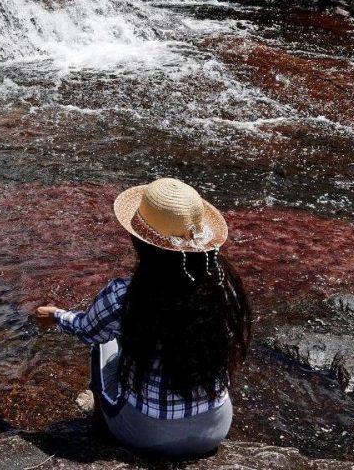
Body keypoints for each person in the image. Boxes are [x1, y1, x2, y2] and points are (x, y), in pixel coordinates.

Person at [35, 178, 252, 457]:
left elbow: (86, 330)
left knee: (102, 344)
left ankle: (102, 430)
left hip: (145, 436)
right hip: (214, 429)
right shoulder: (225, 287)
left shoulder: (125, 294)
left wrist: (56, 316)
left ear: (139, 240)